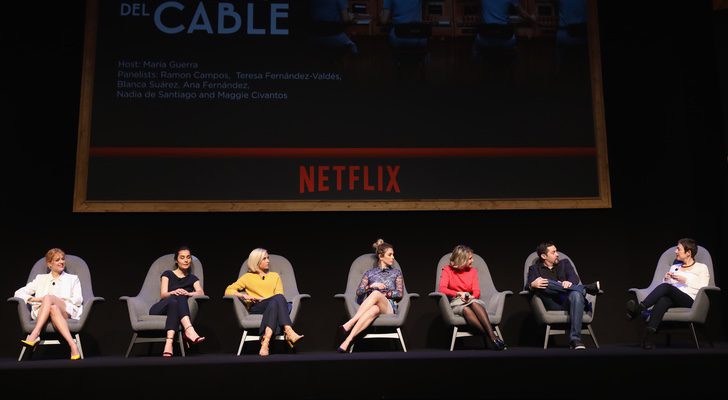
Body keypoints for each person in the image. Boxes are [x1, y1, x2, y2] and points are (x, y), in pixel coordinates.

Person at [626, 238, 710, 350]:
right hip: (673, 297)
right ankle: (647, 339)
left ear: (688, 253)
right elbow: (667, 287)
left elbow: (704, 286)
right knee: (663, 300)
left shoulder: (701, 267)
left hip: (691, 300)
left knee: (666, 289)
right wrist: (666, 280)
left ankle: (638, 310)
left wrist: (684, 280)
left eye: (678, 249)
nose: (675, 251)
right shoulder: (675, 267)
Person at [224, 248, 304, 356]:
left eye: (268, 258)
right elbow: (228, 290)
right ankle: (288, 331)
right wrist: (244, 295)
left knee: (277, 300)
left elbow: (279, 294)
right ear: (256, 261)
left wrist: (267, 298)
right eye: (264, 259)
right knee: (278, 300)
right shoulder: (247, 277)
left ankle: (265, 342)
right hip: (257, 306)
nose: (268, 261)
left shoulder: (274, 276)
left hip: (274, 304)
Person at [525, 242, 600, 349]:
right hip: (552, 304)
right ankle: (585, 288)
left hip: (569, 301)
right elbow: (527, 286)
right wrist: (532, 284)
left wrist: (568, 282)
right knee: (544, 283)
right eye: (553, 252)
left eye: (556, 251)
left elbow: (574, 278)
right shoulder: (535, 268)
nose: (557, 254)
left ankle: (575, 340)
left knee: (576, 295)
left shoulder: (565, 263)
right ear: (543, 256)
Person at [337, 238, 404, 353]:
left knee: (376, 294)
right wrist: (372, 285)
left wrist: (384, 293)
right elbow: (359, 291)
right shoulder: (370, 273)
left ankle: (351, 322)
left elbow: (399, 293)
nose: (393, 257)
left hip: (389, 306)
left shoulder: (396, 273)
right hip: (373, 305)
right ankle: (347, 341)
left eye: (393, 254)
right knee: (374, 309)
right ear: (381, 256)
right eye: (390, 254)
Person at [14, 248, 83, 360]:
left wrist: (57, 299)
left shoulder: (72, 279)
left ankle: (35, 334)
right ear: (49, 264)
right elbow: (18, 293)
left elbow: (77, 299)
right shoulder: (40, 279)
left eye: (62, 259)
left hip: (66, 310)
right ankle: (72, 345)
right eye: (57, 260)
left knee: (51, 299)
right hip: (43, 312)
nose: (61, 262)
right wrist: (37, 299)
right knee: (53, 307)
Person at [438, 245, 506, 350]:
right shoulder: (447, 270)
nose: (472, 260)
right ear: (462, 260)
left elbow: (477, 291)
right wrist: (458, 293)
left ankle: (492, 338)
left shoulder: (472, 271)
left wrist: (471, 297)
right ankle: (492, 337)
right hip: (456, 302)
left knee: (473, 303)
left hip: (471, 300)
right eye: (470, 258)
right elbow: (442, 289)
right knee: (465, 309)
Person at [149, 245, 206, 357]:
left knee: (179, 298)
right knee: (178, 295)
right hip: (160, 308)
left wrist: (188, 293)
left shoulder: (193, 278)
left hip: (175, 308)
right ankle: (189, 329)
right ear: (176, 260)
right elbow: (163, 294)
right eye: (182, 257)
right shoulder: (168, 274)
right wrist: (174, 292)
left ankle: (169, 343)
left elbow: (201, 292)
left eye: (188, 257)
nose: (186, 260)